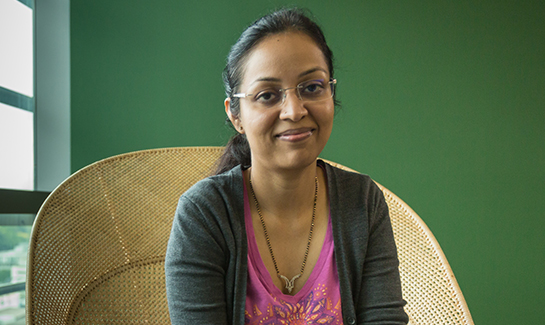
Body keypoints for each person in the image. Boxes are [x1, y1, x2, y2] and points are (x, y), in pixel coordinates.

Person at [165, 8, 408, 325]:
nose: (294, 111)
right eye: (267, 95)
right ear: (235, 115)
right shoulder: (204, 214)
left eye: (311, 87)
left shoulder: (363, 203)